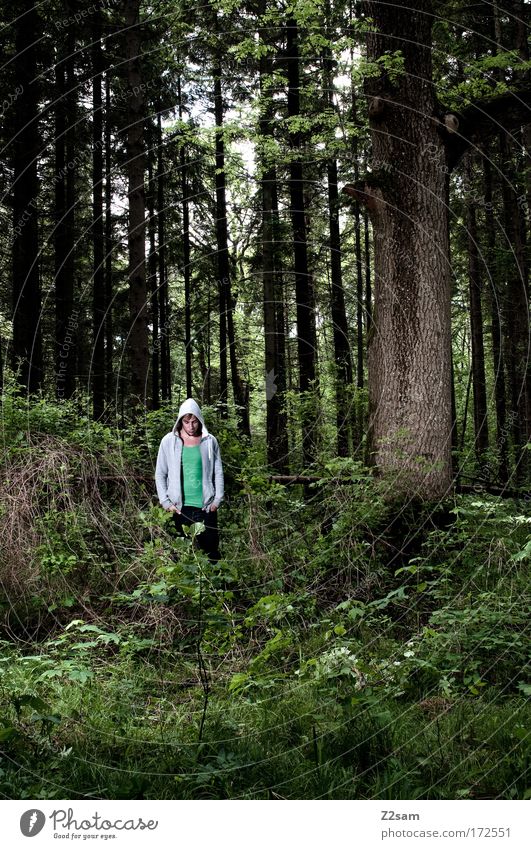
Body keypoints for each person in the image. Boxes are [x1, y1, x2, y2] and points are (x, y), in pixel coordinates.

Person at [155, 398, 224, 563]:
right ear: (180, 421)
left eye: (194, 422)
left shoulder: (209, 441)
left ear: (199, 420)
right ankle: (181, 588)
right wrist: (166, 502)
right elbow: (160, 474)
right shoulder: (168, 442)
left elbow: (218, 472)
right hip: (178, 509)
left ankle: (214, 587)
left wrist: (217, 500)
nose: (191, 426)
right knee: (179, 556)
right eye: (186, 422)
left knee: (211, 554)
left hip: (206, 508)